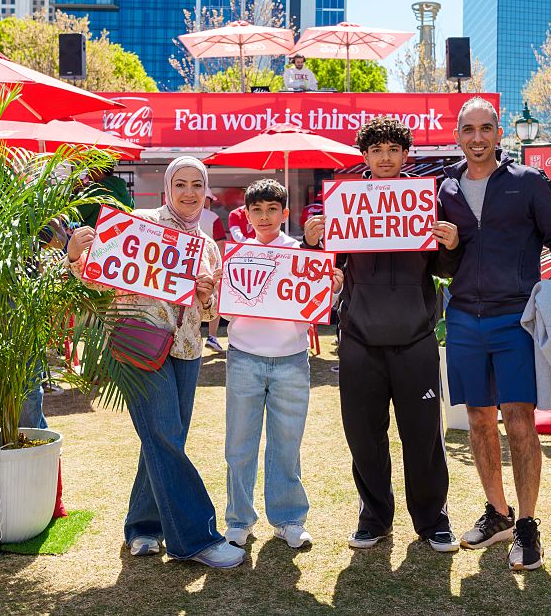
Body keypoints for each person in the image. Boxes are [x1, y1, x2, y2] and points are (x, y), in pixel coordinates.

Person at [65, 156, 245, 569]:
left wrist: (205, 297)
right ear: (167, 187)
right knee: (163, 435)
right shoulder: (139, 224)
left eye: (196, 185)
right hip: (139, 345)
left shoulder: (207, 246)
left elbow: (209, 313)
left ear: (206, 191)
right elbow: (96, 276)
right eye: (180, 184)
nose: (188, 193)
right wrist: (75, 255)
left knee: (165, 439)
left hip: (187, 350)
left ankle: (143, 527)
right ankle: (195, 539)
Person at [303, 116, 462, 553]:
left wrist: (452, 245)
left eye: (394, 149)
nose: (386, 157)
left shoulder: (427, 201)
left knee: (423, 436)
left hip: (415, 338)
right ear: (365, 156)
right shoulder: (344, 202)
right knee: (364, 436)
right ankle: (373, 518)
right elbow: (326, 269)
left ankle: (433, 520)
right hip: (359, 339)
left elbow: (445, 269)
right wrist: (313, 243)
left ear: (406, 154)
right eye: (377, 150)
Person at [439, 97, 551, 571]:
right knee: (478, 419)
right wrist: (449, 248)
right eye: (468, 130)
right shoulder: (445, 190)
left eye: (486, 128)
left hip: (516, 319)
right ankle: (498, 514)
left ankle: (527, 525)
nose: (477, 138)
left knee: (519, 420)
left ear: (499, 134)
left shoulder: (529, 182)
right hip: (463, 318)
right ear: (457, 136)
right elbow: (441, 263)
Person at [222, 179, 344, 550]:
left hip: (291, 358)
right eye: (257, 210)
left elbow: (319, 304)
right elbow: (223, 312)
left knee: (287, 443)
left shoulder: (302, 252)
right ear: (246, 214)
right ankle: (239, 520)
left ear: (285, 213)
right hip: (244, 355)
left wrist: (333, 288)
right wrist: (218, 288)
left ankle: (289, 519)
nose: (264, 217)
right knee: (239, 444)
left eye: (272, 209)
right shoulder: (237, 254)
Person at [199, 191, 227, 352]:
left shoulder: (180, 216)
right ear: (207, 200)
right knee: (214, 298)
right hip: (208, 265)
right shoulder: (212, 217)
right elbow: (221, 243)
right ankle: (212, 336)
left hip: (185, 265)